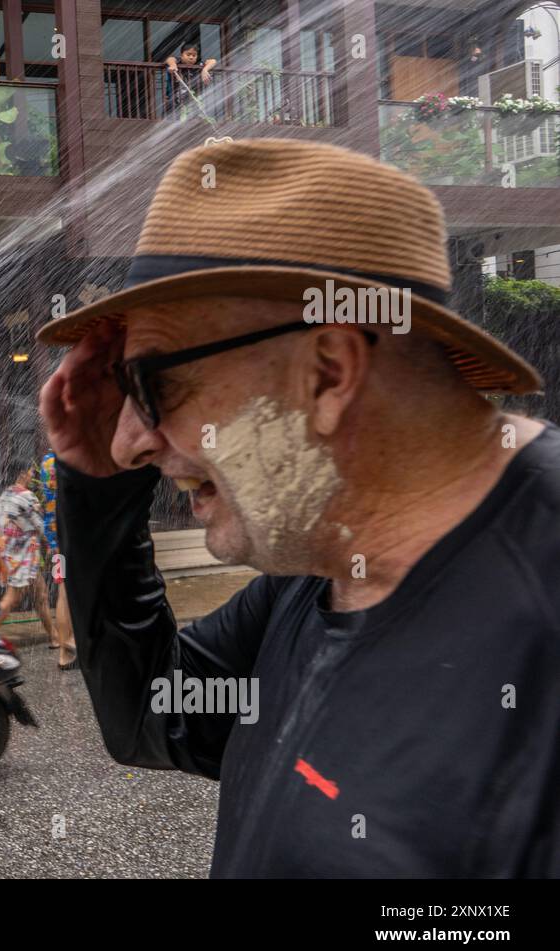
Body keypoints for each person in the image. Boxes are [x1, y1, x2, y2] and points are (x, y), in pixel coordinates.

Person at [38, 137, 559, 876]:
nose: (129, 443)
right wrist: (96, 489)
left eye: (154, 385)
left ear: (328, 370)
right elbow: (155, 715)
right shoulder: (317, 566)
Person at [0, 460, 60, 664]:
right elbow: (41, 526)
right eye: (30, 472)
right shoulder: (26, 497)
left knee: (41, 595)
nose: (31, 475)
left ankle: (54, 636)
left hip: (13, 556)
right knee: (11, 599)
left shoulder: (4, 497)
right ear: (22, 473)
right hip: (23, 557)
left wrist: (0, 557)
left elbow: (0, 529)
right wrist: (54, 547)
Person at [39, 447, 77, 669]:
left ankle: (64, 652)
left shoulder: (46, 462)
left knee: (62, 589)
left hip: (53, 536)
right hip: (70, 533)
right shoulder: (69, 460)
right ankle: (72, 641)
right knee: (71, 590)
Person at [163, 44, 217, 117]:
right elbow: (169, 59)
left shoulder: (198, 64)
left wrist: (205, 70)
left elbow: (213, 61)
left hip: (191, 99)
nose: (191, 57)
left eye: (194, 55)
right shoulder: (178, 62)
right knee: (173, 116)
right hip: (174, 98)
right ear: (181, 55)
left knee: (191, 114)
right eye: (188, 55)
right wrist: (173, 65)